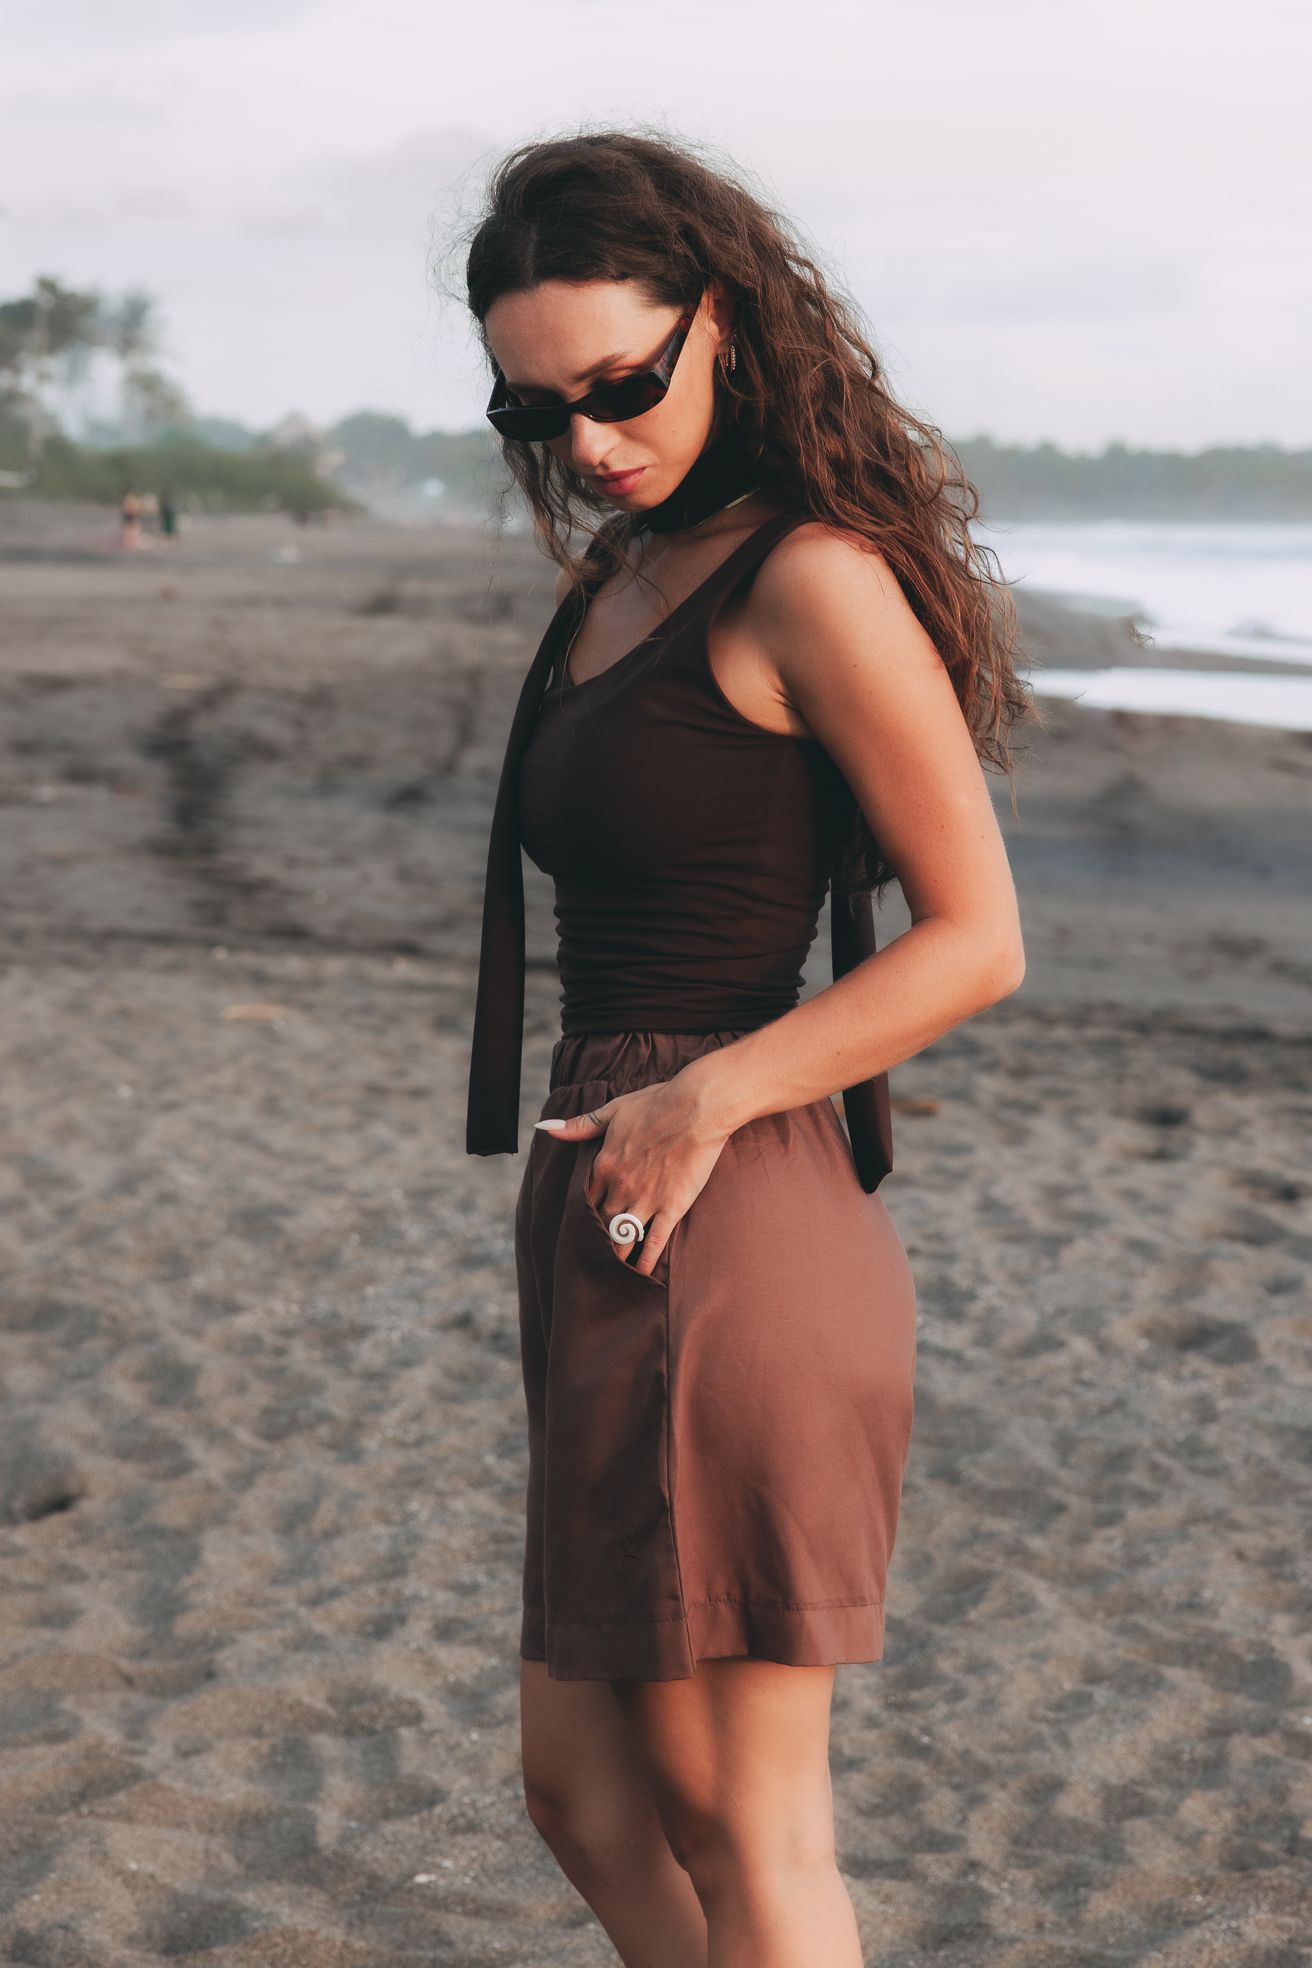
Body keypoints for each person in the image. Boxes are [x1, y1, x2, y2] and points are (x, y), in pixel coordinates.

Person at [462, 130, 1032, 1966]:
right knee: (584, 1791)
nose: (587, 439)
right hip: (608, 1203)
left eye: (621, 386)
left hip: (735, 1200)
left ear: (721, 323)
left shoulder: (812, 579)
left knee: (744, 1821)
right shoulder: (625, 573)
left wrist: (702, 1099)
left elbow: (980, 937)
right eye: (536, 408)